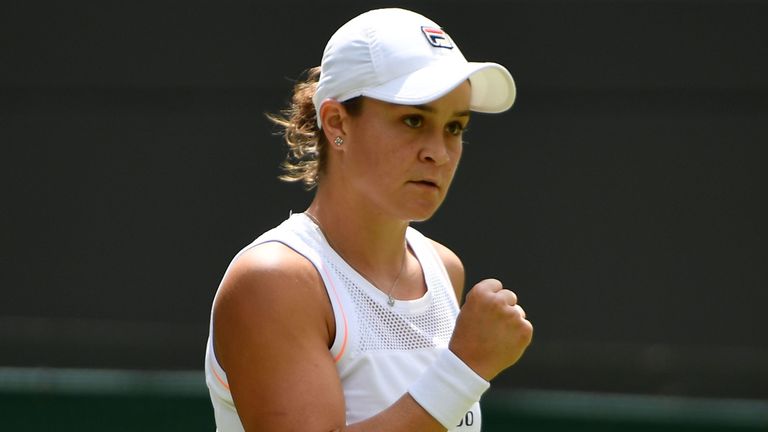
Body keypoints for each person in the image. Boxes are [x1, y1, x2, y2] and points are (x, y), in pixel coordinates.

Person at [204, 7, 532, 432]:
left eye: (454, 127)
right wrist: (464, 369)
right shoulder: (274, 281)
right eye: (413, 120)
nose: (439, 151)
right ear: (337, 123)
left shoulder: (444, 270)